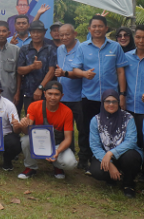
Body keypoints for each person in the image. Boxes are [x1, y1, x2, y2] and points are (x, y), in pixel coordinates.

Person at [71, 15, 127, 170]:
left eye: (100, 26)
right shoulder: (83, 47)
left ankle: (105, 158)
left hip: (110, 98)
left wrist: (122, 94)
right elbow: (75, 68)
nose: (97, 29)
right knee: (86, 128)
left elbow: (121, 71)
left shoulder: (115, 47)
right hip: (89, 96)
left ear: (106, 28)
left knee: (109, 129)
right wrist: (83, 74)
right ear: (89, 29)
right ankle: (84, 157)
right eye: (94, 26)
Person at [14, 81, 78, 179]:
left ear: (62, 96)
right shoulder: (34, 106)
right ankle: (30, 167)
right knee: (25, 140)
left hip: (56, 144)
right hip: (39, 142)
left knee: (71, 163)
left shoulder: (67, 112)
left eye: (56, 94)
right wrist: (23, 125)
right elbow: (27, 132)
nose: (53, 97)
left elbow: (68, 138)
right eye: (50, 94)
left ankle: (57, 166)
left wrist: (58, 151)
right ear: (44, 94)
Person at [88, 91, 143, 197]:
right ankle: (112, 178)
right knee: (96, 170)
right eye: (107, 101)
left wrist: (110, 154)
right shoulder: (96, 120)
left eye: (114, 101)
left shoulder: (128, 118)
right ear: (102, 103)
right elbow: (95, 145)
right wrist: (110, 164)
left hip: (125, 154)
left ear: (118, 103)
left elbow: (131, 141)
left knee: (131, 157)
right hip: (105, 156)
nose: (111, 104)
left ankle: (128, 184)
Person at [53, 23, 86, 161]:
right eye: (61, 35)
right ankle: (69, 154)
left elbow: (81, 73)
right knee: (66, 129)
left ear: (75, 34)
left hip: (78, 97)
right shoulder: (60, 49)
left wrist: (64, 73)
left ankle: (84, 159)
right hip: (62, 97)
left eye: (67, 34)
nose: (64, 37)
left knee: (82, 130)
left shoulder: (82, 48)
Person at [15, 20, 57, 113]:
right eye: (33, 32)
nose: (36, 34)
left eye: (39, 32)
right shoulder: (24, 49)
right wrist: (32, 67)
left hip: (47, 93)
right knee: (30, 121)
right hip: (28, 92)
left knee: (45, 121)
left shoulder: (51, 49)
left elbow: (51, 71)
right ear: (30, 33)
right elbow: (19, 70)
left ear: (44, 33)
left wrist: (40, 88)